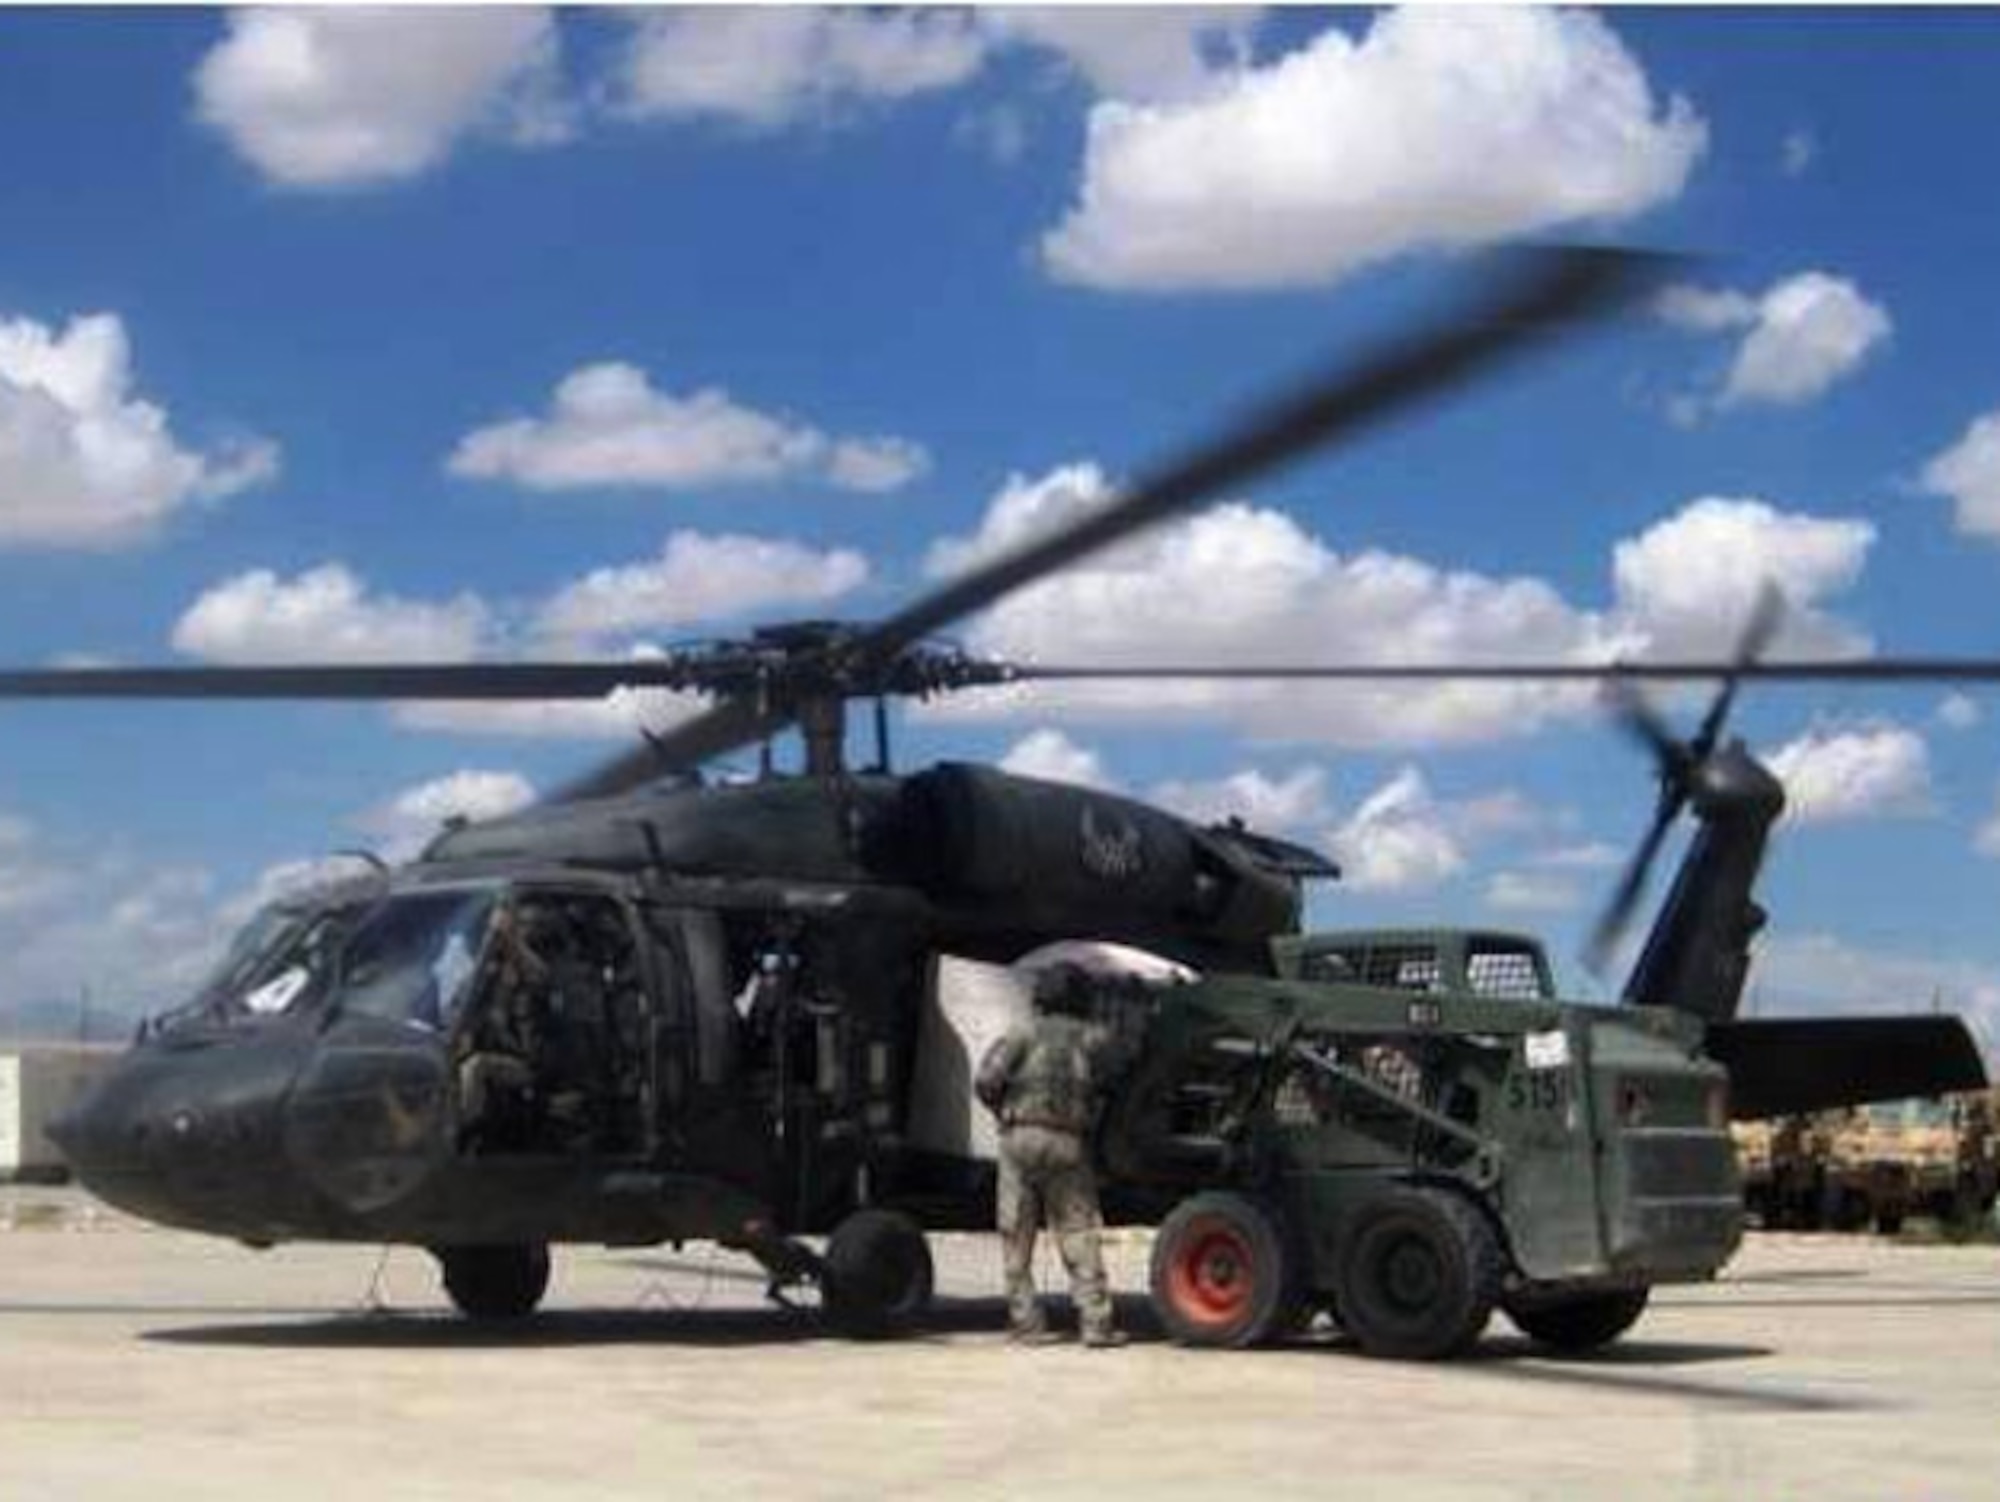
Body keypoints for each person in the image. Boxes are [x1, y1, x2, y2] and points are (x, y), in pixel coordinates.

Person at [975, 964, 1126, 1348]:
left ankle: (1027, 1324)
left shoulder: (1022, 1032)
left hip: (1021, 1136)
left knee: (1016, 1233)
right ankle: (1095, 1323)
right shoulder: (1094, 1039)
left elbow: (987, 1080)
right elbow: (1116, 1078)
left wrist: (1003, 1114)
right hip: (1068, 1141)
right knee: (1077, 1232)